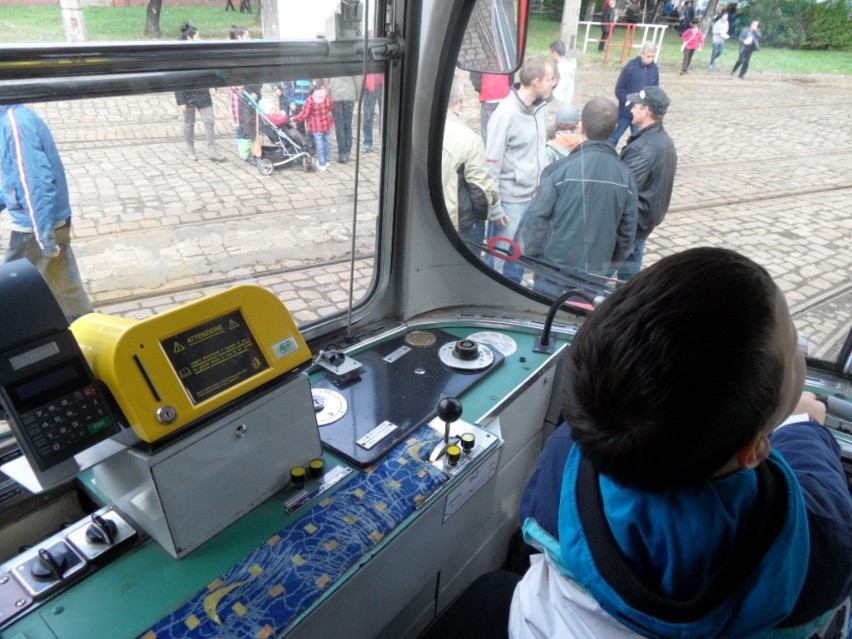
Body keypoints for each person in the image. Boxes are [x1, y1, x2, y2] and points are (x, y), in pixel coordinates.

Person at [510, 247, 852, 638]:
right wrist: (805, 423)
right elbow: (824, 494)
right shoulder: (821, 545)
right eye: (794, 349)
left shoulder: (564, 453)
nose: (800, 351)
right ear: (754, 452)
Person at [523, 98, 637, 296]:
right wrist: (606, 267)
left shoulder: (557, 171)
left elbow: (536, 221)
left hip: (553, 272)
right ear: (616, 128)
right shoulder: (626, 176)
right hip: (595, 275)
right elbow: (627, 234)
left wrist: (538, 258)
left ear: (581, 127)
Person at [0, 104, 94, 321]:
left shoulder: (15, 123)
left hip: (35, 228)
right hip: (50, 223)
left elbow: (35, 182)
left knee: (10, 294)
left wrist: (44, 238)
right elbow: (17, 182)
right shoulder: (13, 117)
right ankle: (89, 337)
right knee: (67, 292)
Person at [484, 56, 554, 284]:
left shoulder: (540, 108)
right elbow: (491, 165)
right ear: (536, 81)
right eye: (550, 79)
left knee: (520, 255)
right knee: (498, 257)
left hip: (533, 197)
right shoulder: (505, 114)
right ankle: (489, 293)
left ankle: (513, 288)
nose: (553, 83)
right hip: (510, 203)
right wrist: (495, 207)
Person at [618, 86, 677, 278]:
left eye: (636, 105)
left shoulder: (641, 149)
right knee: (630, 273)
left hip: (631, 226)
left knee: (600, 276)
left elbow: (624, 193)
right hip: (645, 221)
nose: (632, 109)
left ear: (646, 111)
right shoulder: (665, 141)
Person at [441, 76, 501, 244]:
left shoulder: (417, 127)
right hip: (461, 224)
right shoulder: (468, 138)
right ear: (462, 98)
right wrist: (487, 210)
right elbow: (482, 190)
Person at [174, 23, 225, 162]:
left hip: (202, 91)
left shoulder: (201, 52)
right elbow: (176, 78)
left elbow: (208, 69)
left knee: (209, 121)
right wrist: (181, 101)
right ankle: (191, 150)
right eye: (197, 36)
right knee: (189, 123)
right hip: (187, 93)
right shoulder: (179, 55)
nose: (200, 39)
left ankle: (212, 151)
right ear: (189, 38)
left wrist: (213, 85)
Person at [609, 42, 659, 147]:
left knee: (637, 142)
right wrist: (628, 102)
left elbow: (655, 90)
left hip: (641, 114)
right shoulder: (631, 67)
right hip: (626, 112)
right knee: (613, 139)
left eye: (653, 57)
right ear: (642, 54)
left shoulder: (654, 69)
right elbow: (619, 89)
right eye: (648, 56)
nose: (650, 59)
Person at [228, 25, 262, 164]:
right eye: (247, 35)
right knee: (243, 123)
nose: (250, 38)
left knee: (253, 124)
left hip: (250, 93)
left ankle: (254, 151)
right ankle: (248, 152)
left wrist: (256, 91)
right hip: (241, 95)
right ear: (240, 37)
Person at [291, 80, 335, 171]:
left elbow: (304, 114)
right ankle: (327, 161)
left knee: (319, 144)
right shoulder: (327, 97)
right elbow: (331, 106)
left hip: (316, 126)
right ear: (322, 87)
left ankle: (322, 163)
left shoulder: (310, 100)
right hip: (327, 123)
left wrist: (294, 119)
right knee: (327, 142)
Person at [469, 72, 513, 144]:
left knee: (487, 130)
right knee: (504, 128)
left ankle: (488, 152)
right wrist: (508, 86)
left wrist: (480, 88)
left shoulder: (483, 60)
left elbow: (474, 73)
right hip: (504, 93)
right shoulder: (504, 60)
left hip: (488, 95)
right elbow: (511, 72)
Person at [327, 76, 360, 163]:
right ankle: (347, 150)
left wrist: (326, 96)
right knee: (347, 124)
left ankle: (342, 153)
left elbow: (327, 78)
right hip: (349, 95)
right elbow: (358, 79)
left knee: (339, 126)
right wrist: (359, 95)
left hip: (335, 95)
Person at [549, 40, 577, 107]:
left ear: (555, 53)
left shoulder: (560, 70)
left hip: (560, 105)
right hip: (567, 101)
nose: (550, 55)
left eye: (551, 53)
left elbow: (558, 91)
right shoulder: (570, 65)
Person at [362, 73, 383, 152]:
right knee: (368, 116)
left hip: (383, 83)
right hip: (369, 86)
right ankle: (368, 142)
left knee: (386, 116)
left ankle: (383, 141)